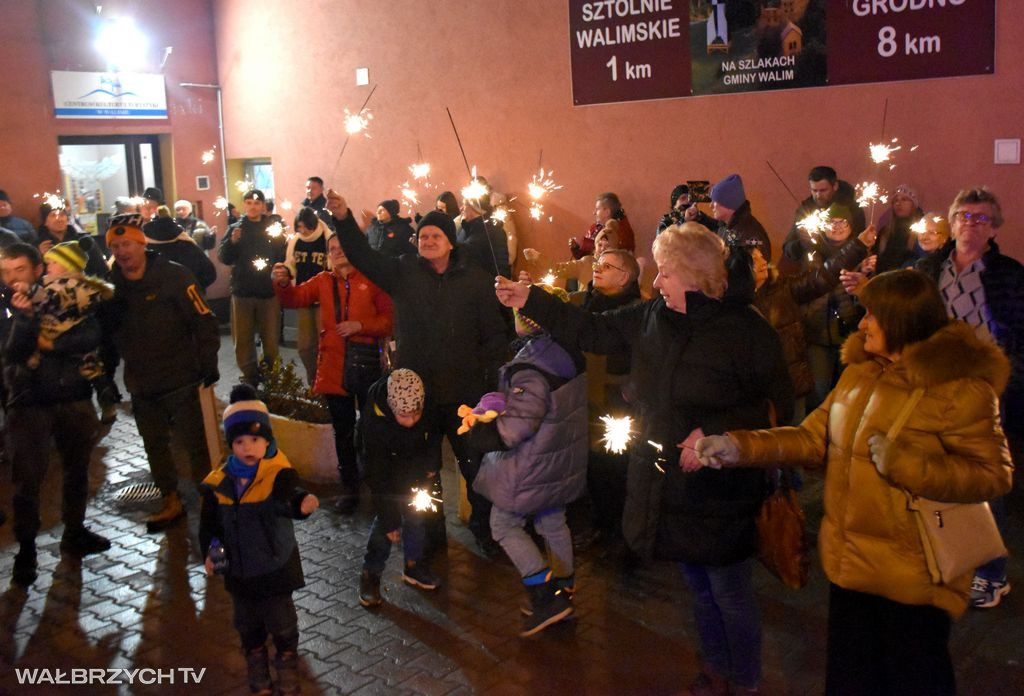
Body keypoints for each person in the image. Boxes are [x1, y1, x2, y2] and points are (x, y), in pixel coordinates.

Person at [495, 223, 792, 694]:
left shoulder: (745, 330)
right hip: (669, 481)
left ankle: (747, 681)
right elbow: (593, 329)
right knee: (698, 584)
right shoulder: (655, 315)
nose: (656, 283)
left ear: (695, 276)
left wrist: (715, 433)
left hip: (721, 484)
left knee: (729, 591)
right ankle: (717, 670)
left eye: (666, 274)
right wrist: (531, 300)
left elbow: (776, 407)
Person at [695, 269, 1014, 696]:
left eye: (872, 315)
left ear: (903, 322)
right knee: (850, 679)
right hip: (851, 567)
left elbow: (993, 474)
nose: (862, 323)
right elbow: (811, 438)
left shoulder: (959, 389)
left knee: (916, 680)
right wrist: (737, 448)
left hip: (914, 575)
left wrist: (909, 465)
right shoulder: (859, 372)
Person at [326, 189, 510, 556]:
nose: (428, 241)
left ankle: (486, 533)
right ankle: (430, 536)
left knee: (475, 469)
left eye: (436, 235)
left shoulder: (475, 279)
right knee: (423, 474)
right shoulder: (404, 271)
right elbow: (363, 255)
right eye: (423, 235)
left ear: (450, 242)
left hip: (464, 397)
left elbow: (494, 335)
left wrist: (491, 387)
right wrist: (344, 218)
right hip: (419, 396)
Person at [917, 187, 1024, 610]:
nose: (969, 224)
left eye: (980, 218)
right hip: (934, 387)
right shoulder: (930, 267)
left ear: (994, 227)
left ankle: (992, 573)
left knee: (982, 483)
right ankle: (950, 555)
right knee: (939, 478)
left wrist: (1003, 382)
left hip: (982, 391)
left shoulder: (1008, 275)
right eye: (963, 215)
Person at [463, 283, 587, 636]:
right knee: (552, 521)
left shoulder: (532, 367)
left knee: (503, 525)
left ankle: (546, 598)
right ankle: (564, 590)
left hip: (531, 465)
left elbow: (517, 426)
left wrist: (483, 435)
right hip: (559, 462)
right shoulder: (568, 354)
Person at [199, 384, 319, 696]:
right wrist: (212, 554)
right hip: (239, 572)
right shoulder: (220, 483)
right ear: (232, 444)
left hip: (275, 568)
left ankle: (287, 666)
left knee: (283, 625)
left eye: (255, 439)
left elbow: (289, 496)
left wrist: (301, 503)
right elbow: (211, 526)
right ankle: (258, 671)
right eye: (240, 441)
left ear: (267, 440)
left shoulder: (277, 473)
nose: (248, 447)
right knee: (248, 626)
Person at [3, 242, 111, 587]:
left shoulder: (71, 295)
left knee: (77, 470)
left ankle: (75, 532)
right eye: (5, 272)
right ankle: (27, 551)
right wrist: (25, 319)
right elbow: (15, 352)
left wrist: (53, 343)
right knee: (28, 480)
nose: (11, 278)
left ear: (38, 270)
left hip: (73, 395)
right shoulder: (10, 306)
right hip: (29, 401)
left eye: (20, 270)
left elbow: (91, 334)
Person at [106, 213, 220, 531]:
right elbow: (107, 336)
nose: (122, 250)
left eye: (126, 243)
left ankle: (210, 501)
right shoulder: (110, 288)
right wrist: (105, 378)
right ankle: (170, 499)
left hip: (181, 377)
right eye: (115, 246)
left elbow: (203, 320)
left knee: (197, 445)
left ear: (141, 244)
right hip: (141, 382)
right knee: (154, 444)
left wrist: (208, 363)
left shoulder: (175, 276)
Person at [272, 232, 393, 514]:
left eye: (343, 247)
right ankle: (349, 488)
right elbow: (295, 297)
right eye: (333, 248)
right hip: (334, 368)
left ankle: (378, 486)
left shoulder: (373, 280)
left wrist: (360, 326)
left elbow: (388, 321)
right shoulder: (324, 281)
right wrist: (281, 283)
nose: (338, 252)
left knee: (371, 430)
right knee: (343, 431)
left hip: (366, 366)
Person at [752, 223, 874, 420]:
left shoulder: (782, 288)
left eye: (761, 256)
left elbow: (822, 276)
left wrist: (858, 245)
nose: (762, 262)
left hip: (792, 383)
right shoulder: (737, 303)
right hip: (759, 390)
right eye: (754, 259)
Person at [568, 249, 643, 543]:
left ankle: (622, 531)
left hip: (620, 400)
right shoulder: (591, 303)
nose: (597, 269)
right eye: (598, 264)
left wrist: (630, 389)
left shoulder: (636, 310)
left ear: (624, 277)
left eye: (607, 266)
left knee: (617, 467)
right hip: (590, 396)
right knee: (594, 465)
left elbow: (645, 358)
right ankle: (600, 522)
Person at [357, 369, 442, 607]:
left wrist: (432, 464)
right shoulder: (374, 423)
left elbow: (433, 434)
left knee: (416, 517)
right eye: (405, 415)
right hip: (387, 476)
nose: (412, 420)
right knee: (384, 528)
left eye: (416, 413)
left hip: (413, 471)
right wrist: (390, 519)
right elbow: (377, 474)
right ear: (392, 408)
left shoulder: (426, 403)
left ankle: (414, 566)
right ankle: (370, 574)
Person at [16, 240, 119, 423]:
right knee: (92, 372)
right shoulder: (62, 284)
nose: (49, 266)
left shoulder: (69, 285)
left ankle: (103, 406)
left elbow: (48, 299)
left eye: (54, 262)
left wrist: (29, 290)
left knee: (90, 371)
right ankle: (106, 405)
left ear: (67, 265)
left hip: (67, 334)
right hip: (62, 335)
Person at [799, 205, 867, 411]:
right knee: (819, 388)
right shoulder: (813, 253)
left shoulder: (862, 254)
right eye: (832, 222)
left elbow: (867, 298)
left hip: (848, 332)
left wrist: (866, 275)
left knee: (845, 389)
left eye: (842, 222)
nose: (837, 227)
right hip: (818, 331)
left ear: (851, 226)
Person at [218, 189, 287, 386]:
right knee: (243, 339)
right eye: (248, 202)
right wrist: (232, 242)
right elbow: (224, 257)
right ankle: (249, 377)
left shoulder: (272, 228)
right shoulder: (236, 229)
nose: (253, 206)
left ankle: (272, 377)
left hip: (268, 291)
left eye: (257, 203)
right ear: (244, 205)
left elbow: (283, 254)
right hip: (242, 291)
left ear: (263, 206)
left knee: (271, 338)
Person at [780, 166, 866, 273]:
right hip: (815, 275)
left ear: (835, 186)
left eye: (823, 190)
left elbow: (861, 244)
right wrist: (802, 243)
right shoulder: (806, 210)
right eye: (814, 190)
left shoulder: (852, 209)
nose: (818, 195)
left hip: (847, 270)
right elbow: (788, 249)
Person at [281, 207, 330, 384]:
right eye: (299, 227)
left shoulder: (326, 239)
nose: (302, 231)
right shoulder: (295, 242)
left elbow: (332, 268)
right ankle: (313, 378)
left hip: (324, 300)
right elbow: (291, 265)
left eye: (305, 227)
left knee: (324, 344)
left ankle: (325, 381)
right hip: (303, 299)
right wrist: (285, 273)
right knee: (304, 346)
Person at [686, 174, 772, 261]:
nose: (711, 206)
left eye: (715, 201)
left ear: (728, 203)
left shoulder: (749, 235)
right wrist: (698, 217)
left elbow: (755, 270)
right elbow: (717, 228)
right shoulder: (730, 224)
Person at [144, 205, 217, 290]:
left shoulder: (145, 243)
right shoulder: (184, 240)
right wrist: (196, 288)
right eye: (178, 209)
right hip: (187, 293)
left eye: (183, 209)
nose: (181, 211)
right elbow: (208, 272)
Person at [36, 199, 108, 278]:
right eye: (53, 215)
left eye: (62, 214)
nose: (59, 219)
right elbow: (36, 278)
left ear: (67, 219)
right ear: (45, 222)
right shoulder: (39, 245)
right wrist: (40, 256)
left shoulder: (83, 241)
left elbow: (102, 270)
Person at [458, 191, 511, 278]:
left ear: (474, 208)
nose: (461, 208)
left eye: (464, 205)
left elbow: (501, 266)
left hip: (487, 286)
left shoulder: (493, 231)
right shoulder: (465, 228)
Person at [873, 184, 923, 273]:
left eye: (904, 199)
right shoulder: (885, 232)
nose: (898, 203)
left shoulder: (921, 231)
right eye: (895, 200)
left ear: (913, 204)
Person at [570, 192, 635, 259]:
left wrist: (584, 244)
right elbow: (585, 259)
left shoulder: (622, 230)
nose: (594, 212)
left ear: (607, 212)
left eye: (597, 209)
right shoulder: (594, 227)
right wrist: (576, 248)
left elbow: (614, 253)